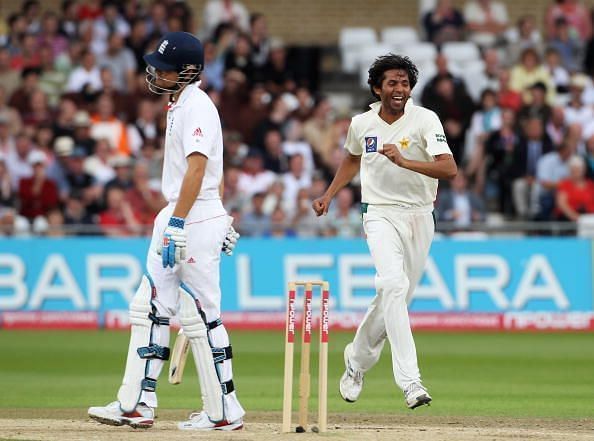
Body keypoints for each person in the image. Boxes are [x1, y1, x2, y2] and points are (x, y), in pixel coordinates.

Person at [88, 32, 243, 431]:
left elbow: (198, 168)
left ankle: (224, 411)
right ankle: (136, 402)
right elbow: (211, 170)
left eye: (163, 67)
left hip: (190, 217)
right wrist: (186, 216)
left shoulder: (198, 107)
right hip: (181, 212)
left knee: (203, 317)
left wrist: (185, 221)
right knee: (149, 307)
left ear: (187, 71)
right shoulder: (178, 103)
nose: (154, 73)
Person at [312, 54, 457, 409]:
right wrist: (329, 195)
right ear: (377, 88)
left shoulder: (425, 119)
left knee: (394, 300)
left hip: (421, 215)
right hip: (378, 213)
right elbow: (351, 158)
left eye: (405, 83)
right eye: (392, 82)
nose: (400, 89)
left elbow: (449, 168)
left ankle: (356, 361)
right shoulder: (361, 124)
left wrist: (405, 162)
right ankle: (410, 382)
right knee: (392, 285)